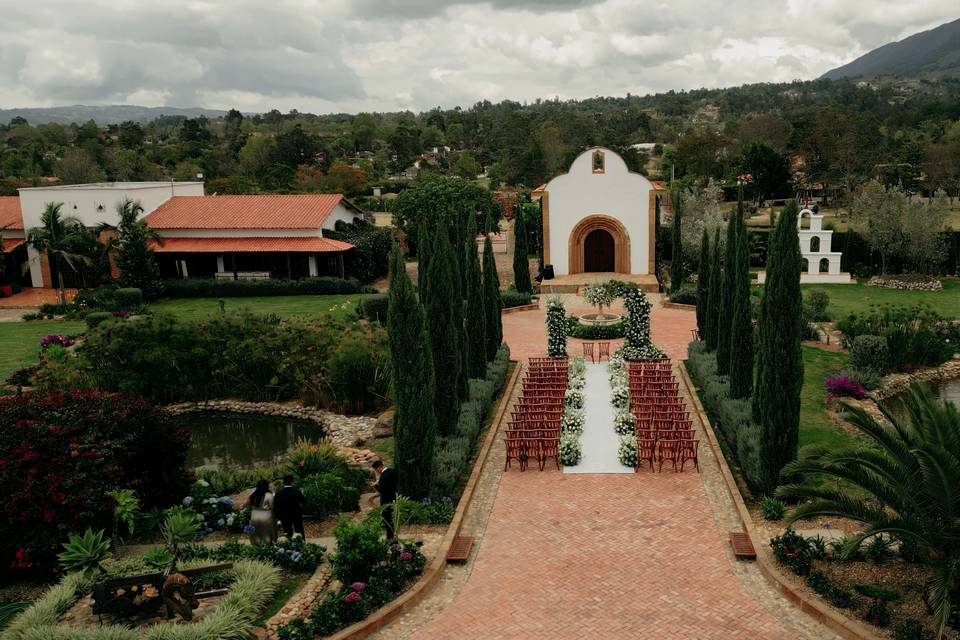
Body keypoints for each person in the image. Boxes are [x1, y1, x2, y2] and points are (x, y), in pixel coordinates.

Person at [372, 460, 398, 540]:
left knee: (388, 521)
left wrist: (375, 485)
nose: (377, 472)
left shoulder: (383, 477)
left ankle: (390, 539)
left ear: (379, 467)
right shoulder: (393, 472)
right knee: (394, 520)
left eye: (376, 470)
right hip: (395, 500)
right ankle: (394, 538)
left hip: (386, 502)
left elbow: (381, 491)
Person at [247, 479, 275, 544]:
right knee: (266, 538)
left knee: (256, 537)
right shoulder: (268, 495)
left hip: (254, 518)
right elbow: (273, 508)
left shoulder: (253, 496)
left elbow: (245, 505)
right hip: (265, 518)